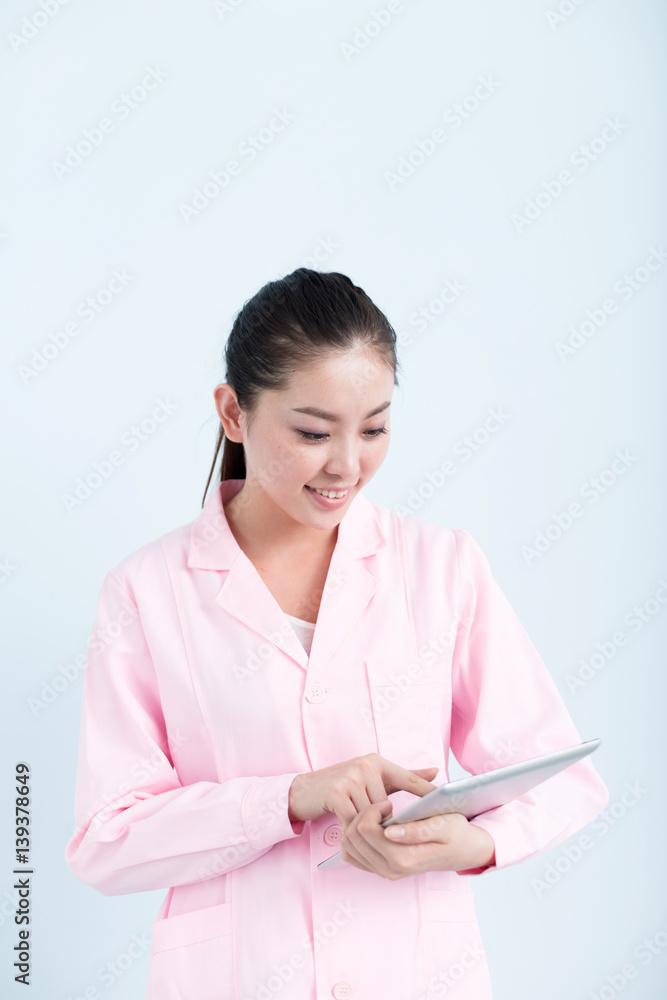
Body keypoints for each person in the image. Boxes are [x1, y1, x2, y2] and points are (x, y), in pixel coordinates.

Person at [65, 268, 609, 999]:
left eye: (375, 428)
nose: (347, 465)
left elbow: (563, 777)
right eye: (313, 432)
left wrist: (478, 844)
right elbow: (106, 844)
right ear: (232, 412)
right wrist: (290, 796)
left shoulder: (440, 565)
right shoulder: (146, 591)